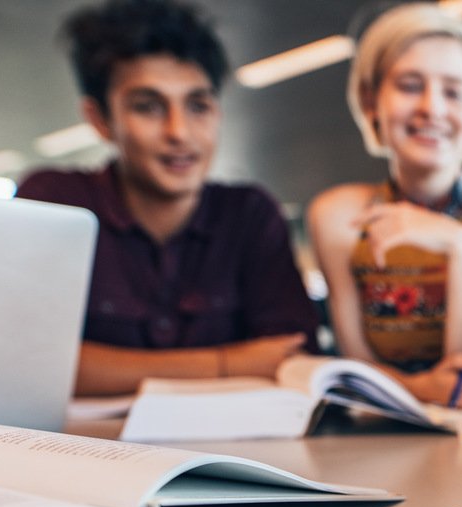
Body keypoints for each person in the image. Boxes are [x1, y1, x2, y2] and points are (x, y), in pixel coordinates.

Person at [18, 0, 321, 397]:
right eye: (148, 107)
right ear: (100, 120)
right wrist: (230, 363)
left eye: (198, 106)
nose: (179, 132)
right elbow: (28, 365)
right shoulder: (53, 201)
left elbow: (293, 362)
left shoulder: (250, 214)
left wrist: (104, 367)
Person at [308, 2, 462, 408]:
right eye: (409, 85)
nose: (431, 108)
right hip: (388, 424)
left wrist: (457, 245)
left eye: (453, 92)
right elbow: (356, 367)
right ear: (372, 102)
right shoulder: (337, 217)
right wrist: (422, 391)